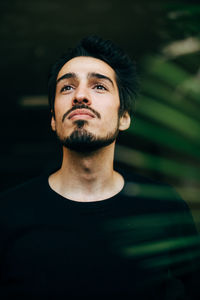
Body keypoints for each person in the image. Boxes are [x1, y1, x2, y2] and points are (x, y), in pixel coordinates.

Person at [0, 35, 199, 300]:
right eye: (67, 87)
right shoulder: (8, 212)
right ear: (53, 119)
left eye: (99, 87)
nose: (80, 96)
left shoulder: (164, 207)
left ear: (124, 117)